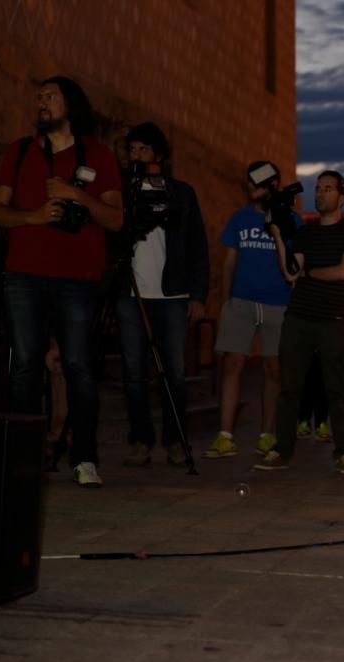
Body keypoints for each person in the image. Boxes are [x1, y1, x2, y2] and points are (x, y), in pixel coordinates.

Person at [0, 76, 123, 488]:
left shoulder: (99, 155)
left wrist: (76, 195)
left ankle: (85, 458)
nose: (41, 103)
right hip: (24, 274)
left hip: (78, 279)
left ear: (72, 106)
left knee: (79, 366)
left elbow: (116, 220)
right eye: (39, 97)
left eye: (50, 96)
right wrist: (32, 217)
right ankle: (25, 459)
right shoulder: (20, 151)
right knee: (25, 367)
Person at [117, 122, 209, 468]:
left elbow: (198, 247)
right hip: (131, 293)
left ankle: (175, 440)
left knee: (175, 372)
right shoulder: (121, 191)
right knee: (133, 371)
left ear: (159, 155)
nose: (136, 155)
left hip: (172, 295)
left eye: (143, 149)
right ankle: (140, 440)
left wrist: (198, 296)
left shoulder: (182, 193)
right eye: (132, 149)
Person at [261, 170, 344, 473]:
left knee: (335, 388)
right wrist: (278, 234)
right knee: (290, 386)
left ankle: (342, 451)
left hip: (333, 318)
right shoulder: (306, 231)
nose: (320, 194)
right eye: (318, 188)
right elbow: (292, 273)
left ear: (342, 197)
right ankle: (282, 449)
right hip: (299, 317)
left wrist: (310, 274)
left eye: (328, 189)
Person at [205, 161, 302, 460]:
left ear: (272, 185)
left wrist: (276, 229)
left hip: (278, 303)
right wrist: (225, 301)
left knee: (273, 369)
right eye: (248, 184)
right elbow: (229, 261)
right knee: (232, 364)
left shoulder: (292, 221)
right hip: (242, 301)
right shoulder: (240, 219)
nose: (250, 189)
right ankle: (225, 436)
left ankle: (267, 434)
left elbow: (296, 268)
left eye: (255, 184)